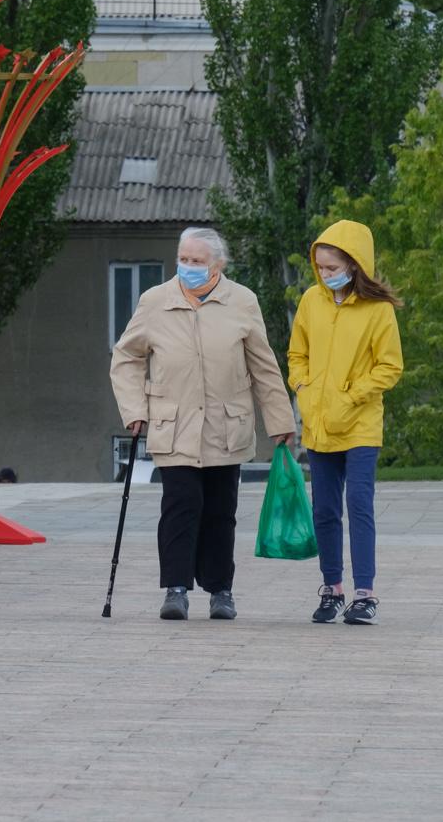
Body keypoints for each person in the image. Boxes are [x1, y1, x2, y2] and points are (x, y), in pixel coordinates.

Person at [111, 226, 297, 620]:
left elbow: (263, 366)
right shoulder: (154, 301)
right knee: (181, 505)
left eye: (197, 261)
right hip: (173, 425)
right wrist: (134, 409)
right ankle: (175, 590)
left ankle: (220, 591)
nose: (188, 267)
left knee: (219, 511)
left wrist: (280, 419)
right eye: (183, 259)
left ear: (218, 265)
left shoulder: (242, 301)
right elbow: (126, 357)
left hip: (225, 427)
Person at [288, 220, 402, 626]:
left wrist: (351, 396)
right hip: (319, 425)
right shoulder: (310, 301)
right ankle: (332, 589)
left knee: (358, 504)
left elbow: (390, 366)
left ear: (354, 264)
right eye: (319, 266)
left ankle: (364, 595)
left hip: (360, 424)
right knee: (324, 510)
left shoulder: (378, 309)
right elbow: (296, 354)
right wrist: (302, 388)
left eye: (332, 267)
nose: (324, 273)